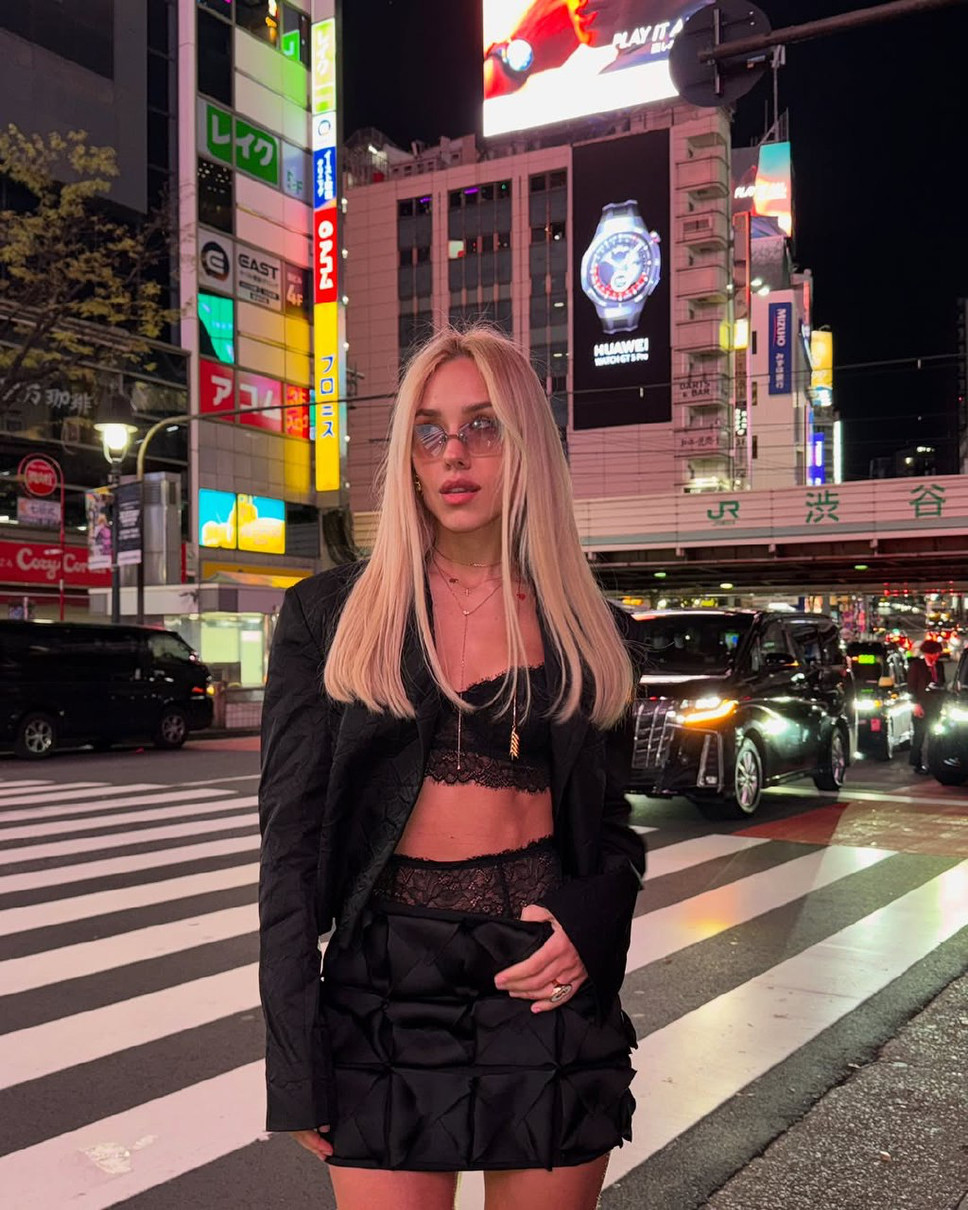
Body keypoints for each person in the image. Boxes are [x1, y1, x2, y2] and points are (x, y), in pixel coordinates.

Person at [259, 325, 645, 1210]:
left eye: (483, 426)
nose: (453, 454)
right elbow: (289, 852)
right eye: (428, 432)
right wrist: (293, 1059)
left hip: (542, 984)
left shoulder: (593, 628)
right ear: (407, 457)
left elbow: (612, 831)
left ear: (528, 443)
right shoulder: (330, 616)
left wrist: (590, 926)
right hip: (381, 990)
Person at [907, 637, 946, 772]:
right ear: (927, 653)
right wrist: (916, 705)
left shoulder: (939, 666)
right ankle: (917, 763)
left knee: (934, 736)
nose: (937, 656)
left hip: (935, 706)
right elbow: (911, 687)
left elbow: (942, 683)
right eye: (935, 653)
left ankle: (932, 763)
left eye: (938, 653)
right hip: (921, 706)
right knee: (919, 736)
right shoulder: (917, 666)